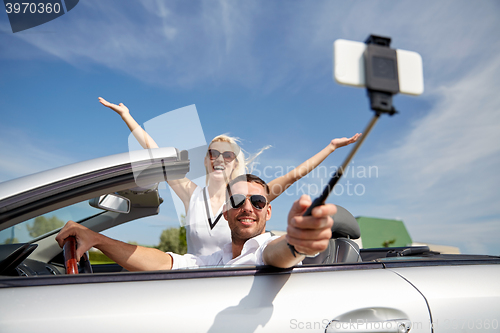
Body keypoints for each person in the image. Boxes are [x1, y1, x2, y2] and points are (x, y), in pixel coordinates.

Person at [98, 97, 359, 256]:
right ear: (206, 160)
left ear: (235, 162)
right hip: (194, 280)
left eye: (228, 154)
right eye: (214, 153)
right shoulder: (191, 193)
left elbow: (294, 176)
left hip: (233, 280)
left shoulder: (246, 199)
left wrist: (332, 147)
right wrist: (128, 117)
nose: (220, 158)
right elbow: (157, 155)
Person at [55, 174, 336, 270]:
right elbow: (163, 262)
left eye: (258, 202)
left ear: (268, 211)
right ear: (225, 212)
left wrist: (298, 243)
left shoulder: (265, 248)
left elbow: (279, 254)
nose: (248, 208)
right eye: (237, 202)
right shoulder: (218, 258)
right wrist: (97, 239)